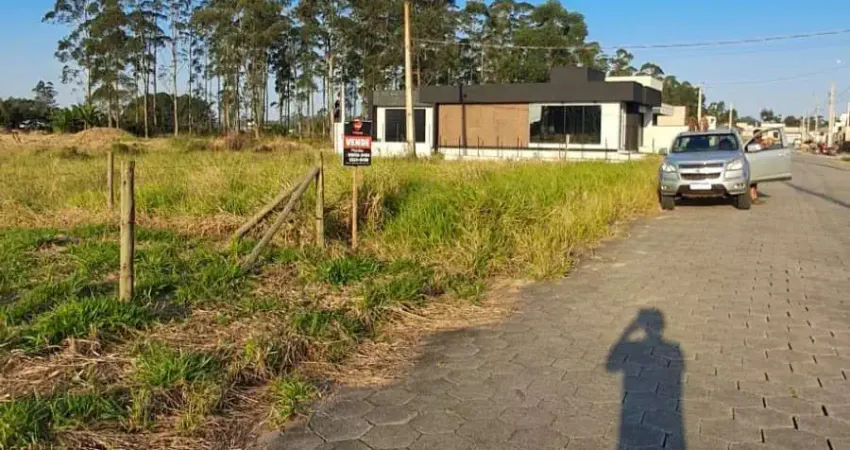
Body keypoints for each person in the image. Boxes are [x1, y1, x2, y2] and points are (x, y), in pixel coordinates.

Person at [746, 129, 765, 202]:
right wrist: (761, 147)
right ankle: (753, 197)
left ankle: (754, 196)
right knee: (753, 182)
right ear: (754, 136)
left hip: (756, 164)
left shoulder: (759, 143)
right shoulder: (751, 143)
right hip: (752, 164)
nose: (759, 138)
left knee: (755, 182)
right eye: (758, 137)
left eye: (760, 136)